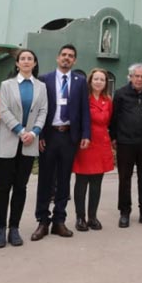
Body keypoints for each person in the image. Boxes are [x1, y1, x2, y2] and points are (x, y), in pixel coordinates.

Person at [32, 44, 91, 241]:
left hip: (69, 136)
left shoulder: (80, 81)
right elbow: (38, 109)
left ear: (75, 61)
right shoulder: (44, 79)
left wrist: (86, 134)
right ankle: (42, 221)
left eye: (71, 56)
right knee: (45, 179)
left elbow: (84, 110)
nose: (67, 58)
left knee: (65, 179)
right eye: (64, 55)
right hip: (48, 135)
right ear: (58, 58)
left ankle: (59, 220)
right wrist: (38, 134)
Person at [0, 49, 47, 248]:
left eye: (29, 59)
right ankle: (0, 229)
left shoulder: (41, 87)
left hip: (29, 143)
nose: (26, 62)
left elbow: (43, 111)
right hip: (8, 141)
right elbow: (3, 110)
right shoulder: (6, 85)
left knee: (21, 187)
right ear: (17, 64)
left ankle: (14, 228)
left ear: (34, 64)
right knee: (3, 187)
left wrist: (33, 133)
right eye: (22, 59)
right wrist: (20, 130)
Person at [110, 63, 142, 228]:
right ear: (130, 77)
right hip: (125, 142)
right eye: (136, 76)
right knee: (124, 178)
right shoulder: (120, 94)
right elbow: (114, 118)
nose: (139, 79)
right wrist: (114, 138)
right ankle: (124, 212)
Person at [72, 68, 114, 231]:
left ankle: (92, 217)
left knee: (97, 183)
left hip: (102, 143)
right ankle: (80, 217)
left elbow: (108, 120)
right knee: (82, 182)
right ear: (90, 81)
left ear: (105, 83)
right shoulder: (84, 99)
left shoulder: (108, 100)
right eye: (95, 79)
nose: (98, 82)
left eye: (102, 80)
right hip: (86, 143)